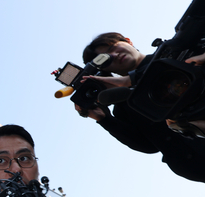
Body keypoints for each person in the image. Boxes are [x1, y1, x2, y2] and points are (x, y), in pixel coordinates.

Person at [75, 32, 205, 183]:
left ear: (128, 41)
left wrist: (130, 80)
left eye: (113, 47)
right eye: (104, 59)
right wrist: (104, 119)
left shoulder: (176, 53)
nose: (114, 55)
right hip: (193, 164)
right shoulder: (124, 104)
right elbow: (148, 146)